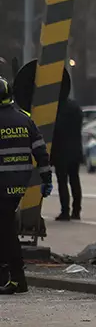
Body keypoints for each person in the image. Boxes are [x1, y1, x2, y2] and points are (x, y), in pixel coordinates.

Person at [0, 76, 53, 295]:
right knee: (5, 229)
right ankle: (13, 278)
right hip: (18, 186)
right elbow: (40, 151)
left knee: (6, 233)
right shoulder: (25, 119)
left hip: (1, 185)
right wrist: (47, 180)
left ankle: (14, 279)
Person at [52, 95, 84, 221]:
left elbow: (55, 129)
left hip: (61, 151)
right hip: (75, 149)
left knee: (62, 181)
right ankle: (76, 211)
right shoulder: (75, 106)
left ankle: (65, 211)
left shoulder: (55, 108)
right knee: (75, 180)